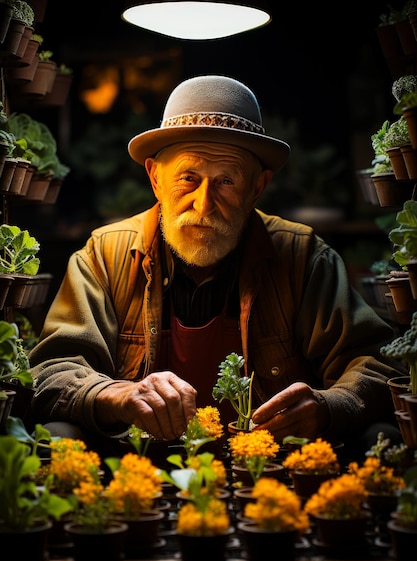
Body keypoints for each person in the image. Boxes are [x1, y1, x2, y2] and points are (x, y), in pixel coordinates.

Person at [27, 74, 406, 461]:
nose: (203, 204)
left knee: (381, 436)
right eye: (188, 179)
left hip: (267, 466)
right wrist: (115, 395)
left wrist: (329, 405)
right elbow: (52, 370)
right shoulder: (104, 256)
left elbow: (377, 364)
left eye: (226, 181)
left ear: (257, 188)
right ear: (155, 178)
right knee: (56, 435)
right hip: (135, 465)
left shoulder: (303, 256)